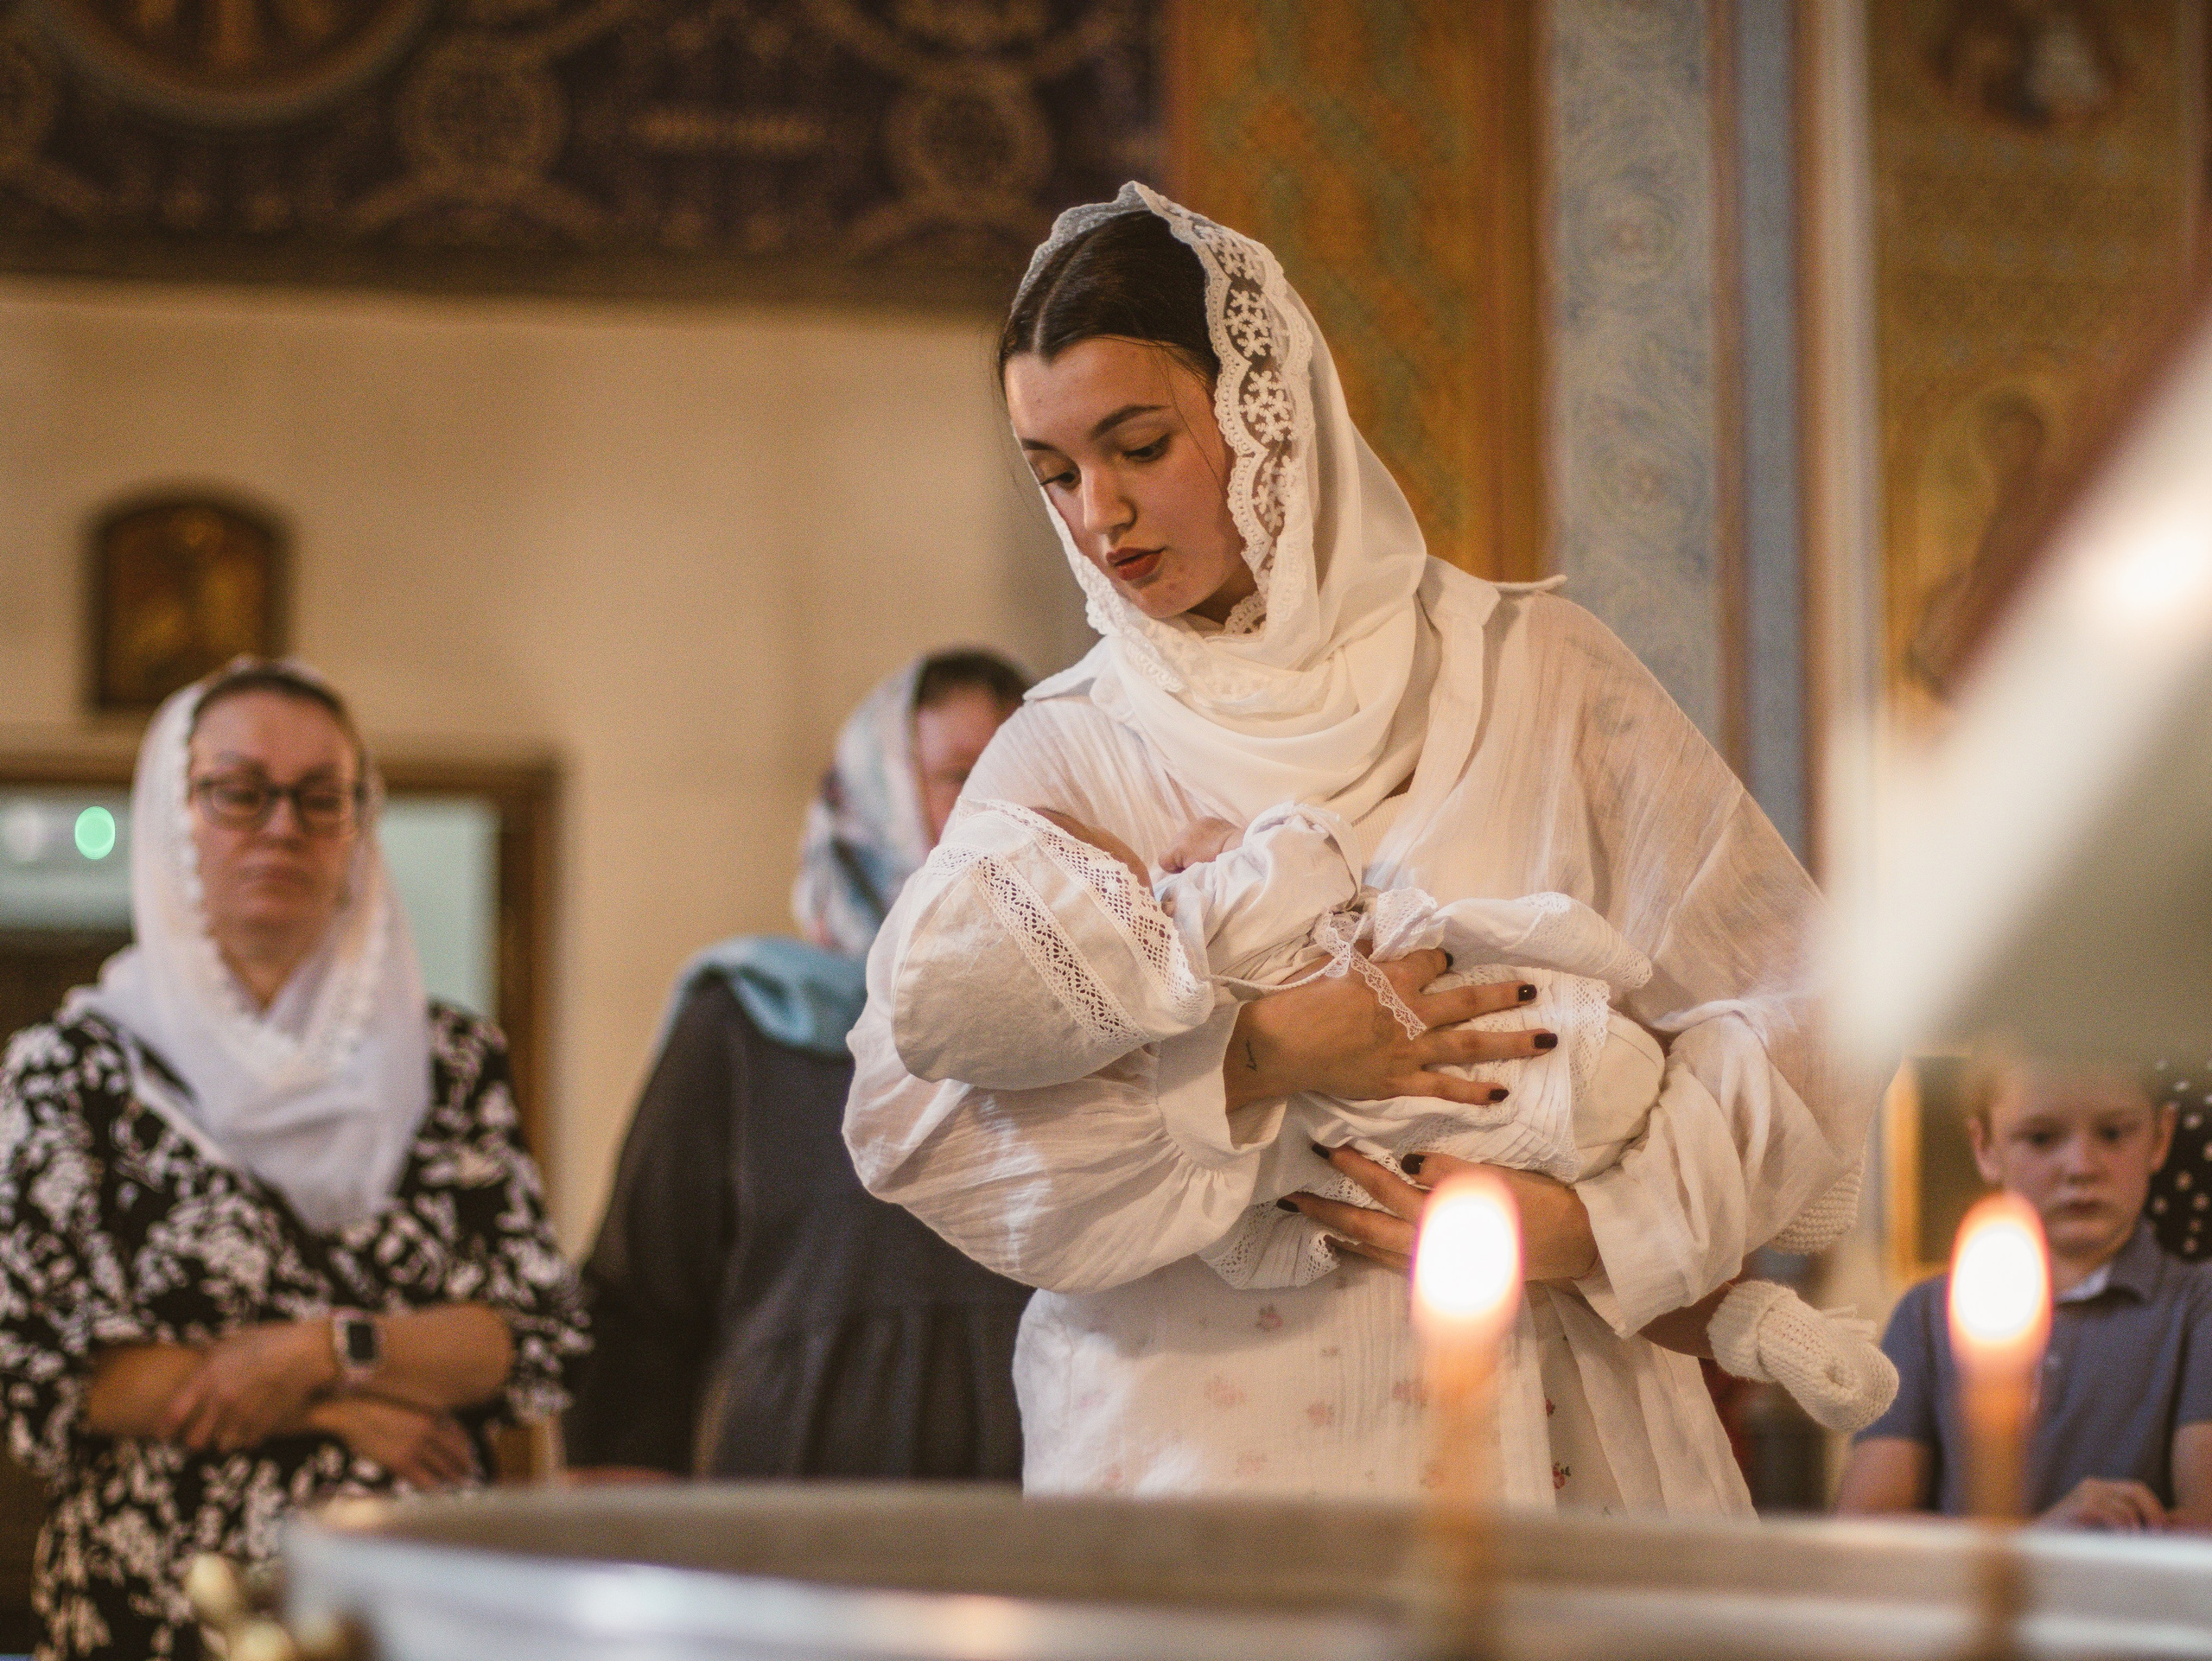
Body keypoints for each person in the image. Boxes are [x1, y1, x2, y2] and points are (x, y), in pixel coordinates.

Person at [843, 185, 1874, 1511]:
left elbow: (1799, 997)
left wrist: (1592, 1227)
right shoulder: (1069, 751)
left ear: (1266, 416)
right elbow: (914, 1114)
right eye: (1055, 473)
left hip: (1548, 1420)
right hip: (1193, 1456)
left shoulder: (1534, 671)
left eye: (1139, 446)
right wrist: (1262, 1056)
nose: (1100, 514)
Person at [881, 795, 1891, 1432]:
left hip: (1409, 1159)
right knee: (1660, 1056)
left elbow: (1240, 1239)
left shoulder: (1148, 1098)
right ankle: (1798, 1201)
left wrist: (1299, 1235)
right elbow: (1313, 846)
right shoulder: (1207, 908)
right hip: (1549, 1051)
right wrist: (1231, 845)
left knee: (1579, 1256)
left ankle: (1752, 1312)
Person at [0, 661, 586, 1661]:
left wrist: (317, 1350)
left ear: (359, 826)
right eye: (239, 791)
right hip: (158, 1607)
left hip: (411, 1605)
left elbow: (522, 1331)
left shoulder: (452, 1060)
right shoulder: (70, 1073)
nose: (281, 826)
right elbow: (54, 1364)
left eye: (323, 798)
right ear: (173, 818)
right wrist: (351, 1405)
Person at [564, 650, 1036, 1480]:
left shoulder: (1108, 1021)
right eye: (959, 775)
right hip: (793, 1522)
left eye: (1022, 771)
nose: (998, 806)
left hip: (1043, 1525)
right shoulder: (750, 1020)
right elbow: (641, 1302)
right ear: (880, 801)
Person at [1836, 1057, 2212, 1529]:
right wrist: (2036, 1541)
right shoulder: (1928, 1314)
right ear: (1986, 1147)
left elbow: (2205, 1533)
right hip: (1967, 1601)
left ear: (2160, 1138)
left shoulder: (2198, 1305)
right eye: (2040, 1138)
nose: (2081, 1167)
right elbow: (1864, 1527)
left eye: (2114, 1134)